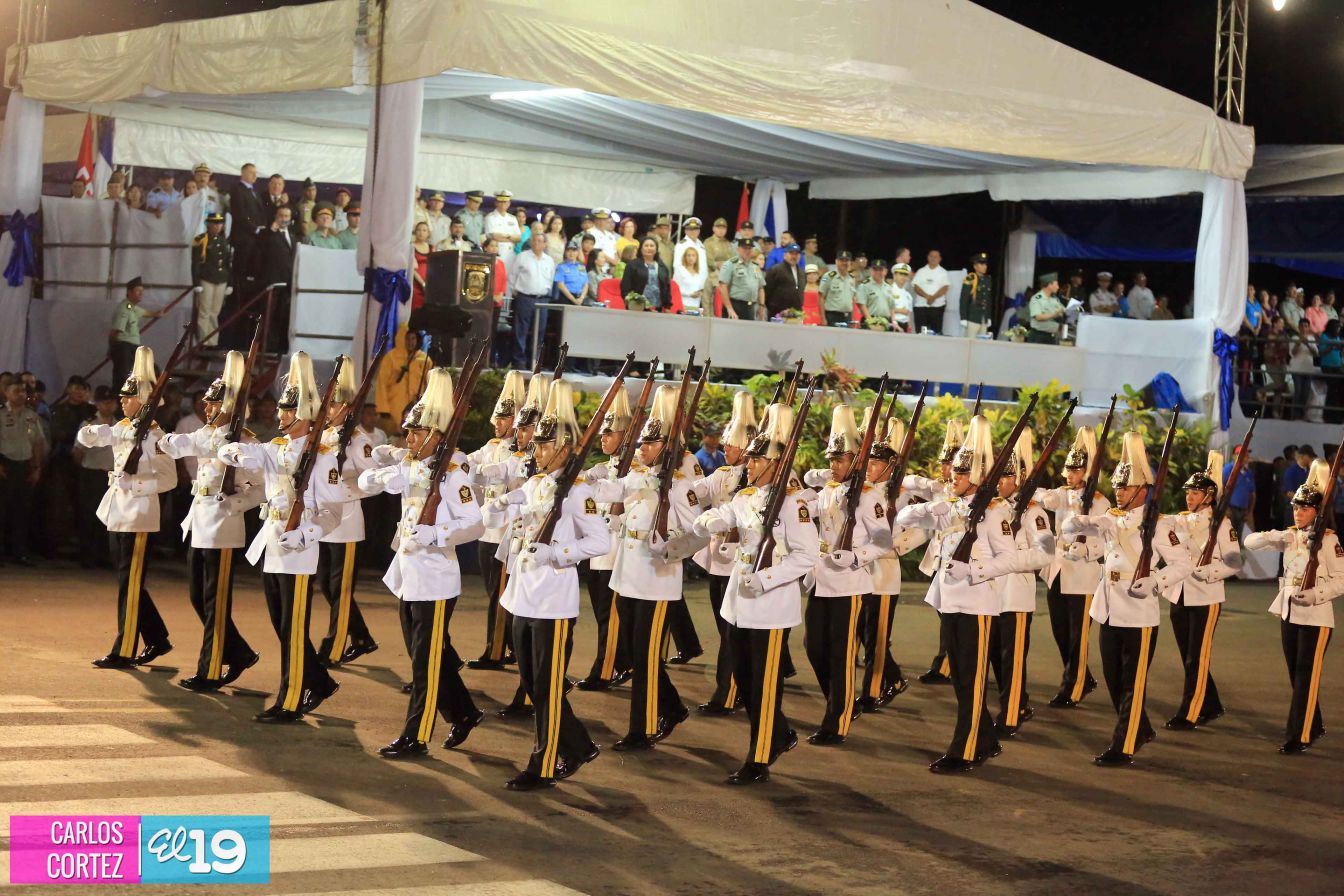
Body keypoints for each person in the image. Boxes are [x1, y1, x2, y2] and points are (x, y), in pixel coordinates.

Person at [484, 381, 608, 789]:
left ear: (565, 448)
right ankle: (579, 744)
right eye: (535, 444)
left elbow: (599, 541)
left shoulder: (578, 491)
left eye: (543, 446)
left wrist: (557, 554)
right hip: (522, 596)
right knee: (531, 682)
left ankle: (545, 761)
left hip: (553, 600)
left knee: (549, 687)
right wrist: (502, 503)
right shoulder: (538, 483)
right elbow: (524, 509)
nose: (535, 451)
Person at [358, 368, 486, 758]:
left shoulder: (452, 474)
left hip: (435, 578)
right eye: (408, 432)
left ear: (436, 435)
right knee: (424, 655)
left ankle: (417, 735)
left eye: (415, 433)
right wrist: (378, 475)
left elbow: (475, 523)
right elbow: (372, 483)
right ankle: (463, 712)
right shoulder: (415, 464)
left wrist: (439, 534)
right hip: (409, 574)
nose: (408, 438)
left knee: (425, 665)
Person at [692, 402, 818, 784]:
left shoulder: (794, 504)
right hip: (738, 604)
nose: (748, 464)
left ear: (775, 464)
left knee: (764, 685)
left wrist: (766, 580)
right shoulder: (746, 497)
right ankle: (778, 733)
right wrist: (706, 520)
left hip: (771, 606)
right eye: (749, 458)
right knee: (745, 681)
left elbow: (807, 557)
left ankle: (760, 756)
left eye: (757, 460)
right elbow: (725, 516)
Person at [217, 352, 345, 723]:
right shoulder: (277, 449)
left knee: (293, 627)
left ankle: (290, 700)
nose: (281, 417)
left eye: (288, 413)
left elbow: (332, 513)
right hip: (273, 545)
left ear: (305, 416)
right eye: (281, 411)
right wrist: (233, 447)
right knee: (280, 624)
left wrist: (306, 534)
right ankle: (318, 682)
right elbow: (238, 452)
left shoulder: (322, 459)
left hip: (299, 551)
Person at [590, 385, 708, 750]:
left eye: (647, 444)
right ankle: (671, 706)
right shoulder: (641, 476)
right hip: (626, 579)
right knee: (634, 649)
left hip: (657, 581)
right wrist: (579, 481)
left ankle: (641, 730)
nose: (640, 448)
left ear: (664, 446)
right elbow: (610, 491)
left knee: (645, 655)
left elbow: (698, 532)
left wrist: (670, 548)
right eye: (640, 443)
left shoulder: (679, 485)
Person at [1062, 431, 1190, 766]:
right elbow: (1077, 526)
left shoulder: (1159, 525)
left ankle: (1124, 746)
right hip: (1107, 610)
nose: (1118, 491)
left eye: (1125, 487)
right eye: (1117, 486)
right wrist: (1076, 513)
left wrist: (1156, 581)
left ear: (1143, 490)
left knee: (1133, 684)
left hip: (1139, 614)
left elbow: (1183, 562)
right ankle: (1141, 727)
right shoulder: (1110, 520)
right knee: (1114, 680)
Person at [897, 414, 1015, 773]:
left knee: (971, 678)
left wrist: (976, 570)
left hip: (977, 604)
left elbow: (1010, 559)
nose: (953, 478)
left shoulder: (995, 513)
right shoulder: (951, 507)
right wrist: (935, 506)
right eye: (954, 474)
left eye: (961, 475)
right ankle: (986, 740)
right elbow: (904, 518)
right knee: (961, 677)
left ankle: (963, 750)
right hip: (949, 601)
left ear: (976, 479)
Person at [159, 351, 264, 692]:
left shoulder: (245, 442)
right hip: (199, 523)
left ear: (230, 407)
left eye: (214, 404)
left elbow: (263, 488)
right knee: (196, 597)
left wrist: (235, 503)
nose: (207, 409)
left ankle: (210, 670)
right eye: (206, 403)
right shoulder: (209, 435)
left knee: (215, 603)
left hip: (224, 527)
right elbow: (177, 445)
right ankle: (240, 652)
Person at [800, 405, 892, 746]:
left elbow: (884, 540)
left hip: (850, 584)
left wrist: (856, 556)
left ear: (856, 459)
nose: (833, 466)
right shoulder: (827, 490)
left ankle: (835, 723)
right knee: (813, 647)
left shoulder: (868, 496)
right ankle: (840, 702)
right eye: (832, 459)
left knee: (840, 654)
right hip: (822, 579)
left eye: (840, 460)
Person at [78, 346, 176, 669]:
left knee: (129, 584)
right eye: (121, 396)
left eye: (128, 397)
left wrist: (134, 483)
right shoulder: (125, 428)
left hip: (139, 517)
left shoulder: (155, 437)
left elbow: (169, 479)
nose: (122, 401)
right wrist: (90, 431)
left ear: (144, 400)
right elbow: (92, 437)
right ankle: (157, 638)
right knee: (127, 583)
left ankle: (125, 649)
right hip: (117, 514)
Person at [1245, 459, 1342, 754]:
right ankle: (1313, 723)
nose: (1298, 512)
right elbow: (1249, 542)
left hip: (1317, 616)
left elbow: (1341, 579)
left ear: (1318, 511)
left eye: (1304, 508)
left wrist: (1315, 595)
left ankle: (1297, 735)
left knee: (1305, 675)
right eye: (1296, 507)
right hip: (1289, 612)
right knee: (1295, 674)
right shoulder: (1291, 537)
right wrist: (1277, 536)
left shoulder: (1329, 541)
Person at [982, 429, 1053, 737]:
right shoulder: (996, 508)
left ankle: (1011, 715)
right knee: (996, 655)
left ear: (1019, 479)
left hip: (1017, 594)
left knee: (1012, 658)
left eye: (1006, 477)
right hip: (994, 593)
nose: (1000, 482)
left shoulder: (1034, 511)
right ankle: (1018, 703)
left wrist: (1012, 558)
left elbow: (1046, 553)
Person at [1162, 452, 1241, 731]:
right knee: (1189, 655)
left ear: (1208, 496)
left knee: (1197, 656)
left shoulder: (1222, 524)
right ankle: (1211, 703)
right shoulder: (1182, 520)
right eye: (1189, 492)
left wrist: (1208, 573)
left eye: (1195, 492)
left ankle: (1190, 712)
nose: (1189, 497)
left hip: (1206, 597)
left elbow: (1234, 563)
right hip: (1179, 593)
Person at [687, 393, 753, 715]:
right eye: (726, 445)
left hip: (740, 564)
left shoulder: (757, 481)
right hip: (717, 562)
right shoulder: (724, 474)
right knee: (725, 630)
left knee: (731, 632)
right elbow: (693, 493)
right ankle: (739, 685)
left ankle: (727, 693)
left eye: (733, 445)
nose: (727, 450)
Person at [854, 414, 924, 714]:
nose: (869, 466)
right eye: (868, 461)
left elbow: (922, 529)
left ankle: (872, 692)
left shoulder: (903, 493)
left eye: (875, 463)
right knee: (862, 631)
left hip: (884, 571)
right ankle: (893, 679)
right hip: (859, 571)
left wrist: (895, 546)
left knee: (877, 636)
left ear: (889, 466)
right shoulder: (864, 490)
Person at [1037, 426, 1110, 707]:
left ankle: (1074, 687)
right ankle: (1083, 676)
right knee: (1060, 631)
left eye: (1075, 470)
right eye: (1068, 469)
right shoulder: (1063, 495)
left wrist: (1089, 549)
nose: (1069, 474)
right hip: (1058, 571)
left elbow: (1108, 539)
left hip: (1083, 576)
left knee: (1078, 635)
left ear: (1087, 472)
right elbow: (1045, 496)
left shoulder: (1101, 503)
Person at [315, 358, 380, 667]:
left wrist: (347, 488)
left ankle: (335, 643)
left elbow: (374, 482)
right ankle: (362, 636)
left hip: (348, 519)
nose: (329, 410)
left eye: (334, 405)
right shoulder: (326, 436)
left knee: (340, 587)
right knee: (327, 583)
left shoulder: (358, 441)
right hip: (324, 519)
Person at [466, 371, 529, 671]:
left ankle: (497, 650)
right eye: (498, 418)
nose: (499, 423)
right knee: (494, 592)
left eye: (506, 418)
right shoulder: (491, 446)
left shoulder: (521, 454)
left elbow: (503, 474)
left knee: (501, 593)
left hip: (505, 531)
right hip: (487, 529)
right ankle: (506, 646)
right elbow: (470, 461)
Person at [576, 388, 635, 691]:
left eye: (609, 434)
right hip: (597, 552)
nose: (603, 438)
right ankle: (621, 662)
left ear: (625, 437)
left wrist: (620, 520)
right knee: (603, 614)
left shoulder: (633, 471)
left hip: (614, 554)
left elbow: (641, 510)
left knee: (608, 616)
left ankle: (605, 669)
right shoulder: (605, 469)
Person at [1, 378, 46, 566]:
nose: (20, 394)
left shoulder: (31, 415)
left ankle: (20, 553)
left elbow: (38, 443)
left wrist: (36, 468)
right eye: (16, 390)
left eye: (23, 391)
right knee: (2, 510)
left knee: (22, 511)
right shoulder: (1, 413)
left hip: (25, 466)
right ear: (6, 392)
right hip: (5, 465)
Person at [74, 386, 118, 567]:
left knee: (109, 517)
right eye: (104, 402)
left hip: (112, 476)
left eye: (111, 402)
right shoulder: (89, 424)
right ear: (97, 404)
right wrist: (83, 471)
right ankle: (87, 555)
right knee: (89, 515)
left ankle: (104, 555)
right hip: (92, 474)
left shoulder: (121, 425)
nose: (108, 406)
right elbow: (78, 452)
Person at [511, 230, 558, 368]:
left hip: (543, 299)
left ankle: (535, 360)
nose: (536, 243)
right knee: (521, 330)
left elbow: (550, 279)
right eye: (534, 241)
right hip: (525, 297)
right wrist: (516, 294)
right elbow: (513, 277)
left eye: (539, 241)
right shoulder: (522, 257)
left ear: (545, 244)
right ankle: (519, 360)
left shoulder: (549, 260)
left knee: (540, 331)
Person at [108, 277, 165, 389]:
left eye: (142, 292)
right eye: (138, 291)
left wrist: (157, 314)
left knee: (152, 370)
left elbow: (144, 312)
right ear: (129, 292)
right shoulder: (124, 309)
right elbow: (114, 332)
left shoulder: (131, 307)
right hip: (123, 347)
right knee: (122, 377)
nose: (141, 294)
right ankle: (118, 402)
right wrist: (112, 349)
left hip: (132, 347)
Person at [257, 206, 298, 351]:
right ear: (276, 216)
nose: (284, 219)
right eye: (281, 215)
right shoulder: (268, 233)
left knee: (283, 316)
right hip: (273, 282)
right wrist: (271, 231)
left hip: (288, 283)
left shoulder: (292, 235)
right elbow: (260, 247)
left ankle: (280, 348)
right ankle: (266, 348)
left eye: (287, 216)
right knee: (270, 316)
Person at [192, 213, 233, 346]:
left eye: (220, 223)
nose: (217, 226)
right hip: (207, 278)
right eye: (214, 223)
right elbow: (196, 263)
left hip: (221, 279)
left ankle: (212, 342)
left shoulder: (223, 241)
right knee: (204, 311)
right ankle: (204, 341)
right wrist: (196, 283)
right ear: (208, 224)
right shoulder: (201, 239)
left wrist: (229, 282)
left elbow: (227, 263)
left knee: (215, 311)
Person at [375, 328, 430, 425]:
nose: (411, 342)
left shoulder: (424, 359)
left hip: (416, 404)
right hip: (395, 405)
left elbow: (429, 384)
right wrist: (383, 408)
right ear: (402, 340)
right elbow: (382, 383)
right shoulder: (391, 357)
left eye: (413, 339)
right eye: (407, 339)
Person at [228, 163, 268, 289]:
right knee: (241, 271)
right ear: (243, 173)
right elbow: (240, 213)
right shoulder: (237, 189)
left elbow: (259, 212)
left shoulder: (254, 191)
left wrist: (262, 227)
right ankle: (237, 303)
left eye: (256, 173)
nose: (255, 175)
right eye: (251, 172)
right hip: (243, 237)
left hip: (255, 238)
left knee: (253, 271)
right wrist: (255, 228)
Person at [620, 236, 672, 314]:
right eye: (646, 245)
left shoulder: (662, 267)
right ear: (641, 249)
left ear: (656, 249)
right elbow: (625, 287)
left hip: (658, 309)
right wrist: (632, 303)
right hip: (636, 309)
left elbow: (667, 289)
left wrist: (667, 307)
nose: (649, 248)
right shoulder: (632, 265)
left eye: (652, 246)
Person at [718, 238, 766, 321]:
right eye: (744, 248)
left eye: (749, 248)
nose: (747, 251)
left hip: (751, 308)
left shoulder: (755, 266)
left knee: (748, 333)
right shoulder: (730, 264)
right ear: (738, 249)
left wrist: (761, 305)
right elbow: (723, 287)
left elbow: (761, 288)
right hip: (735, 305)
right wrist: (729, 308)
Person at [911, 249, 950, 334]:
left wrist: (933, 297)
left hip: (937, 307)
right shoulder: (921, 271)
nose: (933, 258)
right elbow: (916, 286)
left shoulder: (943, 272)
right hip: (921, 307)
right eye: (931, 256)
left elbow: (945, 287)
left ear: (940, 259)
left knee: (936, 333)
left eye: (936, 257)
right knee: (922, 333)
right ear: (928, 257)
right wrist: (927, 297)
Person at [763, 243, 805, 318]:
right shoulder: (775, 269)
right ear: (785, 255)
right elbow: (767, 291)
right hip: (777, 312)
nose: (794, 256)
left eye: (797, 254)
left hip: (796, 312)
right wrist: (773, 308)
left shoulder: (802, 272)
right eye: (791, 253)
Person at [959, 252, 994, 338]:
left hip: (983, 318)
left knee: (982, 344)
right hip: (972, 317)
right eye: (981, 264)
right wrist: (963, 317)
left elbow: (988, 300)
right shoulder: (970, 278)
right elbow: (964, 299)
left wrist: (988, 317)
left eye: (985, 264)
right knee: (969, 344)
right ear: (975, 266)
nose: (984, 266)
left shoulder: (988, 279)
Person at [483, 190, 521, 267]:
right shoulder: (490, 218)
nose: (503, 204)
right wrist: (511, 237)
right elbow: (493, 236)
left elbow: (518, 238)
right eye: (501, 201)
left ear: (509, 204)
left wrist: (505, 236)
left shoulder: (512, 218)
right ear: (496, 203)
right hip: (497, 254)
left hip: (511, 255)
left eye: (505, 202)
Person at [819, 252, 857, 327]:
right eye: (842, 260)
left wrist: (852, 318)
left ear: (850, 262)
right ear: (836, 261)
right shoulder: (828, 276)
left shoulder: (852, 278)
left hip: (847, 317)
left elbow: (852, 300)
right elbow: (821, 297)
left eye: (847, 260)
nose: (844, 263)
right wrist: (823, 318)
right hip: (832, 316)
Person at [1026, 272, 1066, 344]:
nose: (1058, 287)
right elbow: (1038, 317)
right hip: (1039, 337)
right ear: (1049, 285)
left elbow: (1062, 310)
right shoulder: (1037, 298)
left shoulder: (1055, 299)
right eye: (1056, 284)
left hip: (1052, 337)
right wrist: (1054, 314)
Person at [703, 217, 735, 302]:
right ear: (713, 228)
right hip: (712, 279)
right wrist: (717, 264)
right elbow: (708, 261)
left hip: (726, 280)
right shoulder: (708, 242)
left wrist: (724, 264)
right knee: (711, 305)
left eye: (723, 228)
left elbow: (732, 260)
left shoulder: (728, 243)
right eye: (718, 227)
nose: (721, 230)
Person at [856, 259, 894, 328]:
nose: (878, 272)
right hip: (870, 320)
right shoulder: (864, 285)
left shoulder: (889, 287)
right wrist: (871, 321)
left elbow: (891, 307)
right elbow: (862, 305)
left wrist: (894, 322)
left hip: (886, 322)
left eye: (880, 269)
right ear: (871, 270)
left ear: (885, 271)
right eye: (875, 269)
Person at [673, 245, 708, 315]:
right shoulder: (680, 270)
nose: (691, 258)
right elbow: (674, 289)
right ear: (685, 257)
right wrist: (689, 294)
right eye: (688, 255)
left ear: (696, 258)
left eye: (693, 255)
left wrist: (701, 293)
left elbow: (702, 288)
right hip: (683, 305)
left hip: (696, 307)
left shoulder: (700, 272)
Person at [410, 221, 433, 314]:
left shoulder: (432, 247)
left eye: (424, 230)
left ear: (428, 233)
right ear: (415, 232)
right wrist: (422, 284)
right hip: (415, 283)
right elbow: (412, 268)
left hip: (430, 284)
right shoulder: (411, 246)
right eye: (419, 230)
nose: (421, 232)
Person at [889, 262, 915, 333]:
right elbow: (884, 309)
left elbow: (908, 314)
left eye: (905, 274)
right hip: (892, 324)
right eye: (900, 274)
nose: (903, 277)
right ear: (894, 275)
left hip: (905, 325)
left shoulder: (908, 295)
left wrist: (909, 327)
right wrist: (900, 310)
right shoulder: (889, 290)